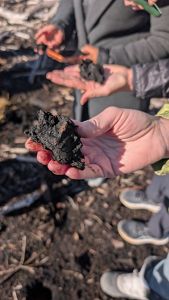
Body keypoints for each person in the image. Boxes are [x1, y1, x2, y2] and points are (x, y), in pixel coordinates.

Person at [36, 0, 169, 121]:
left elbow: (164, 40)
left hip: (121, 87)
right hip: (85, 80)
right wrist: (61, 24)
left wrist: (108, 57)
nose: (127, 3)